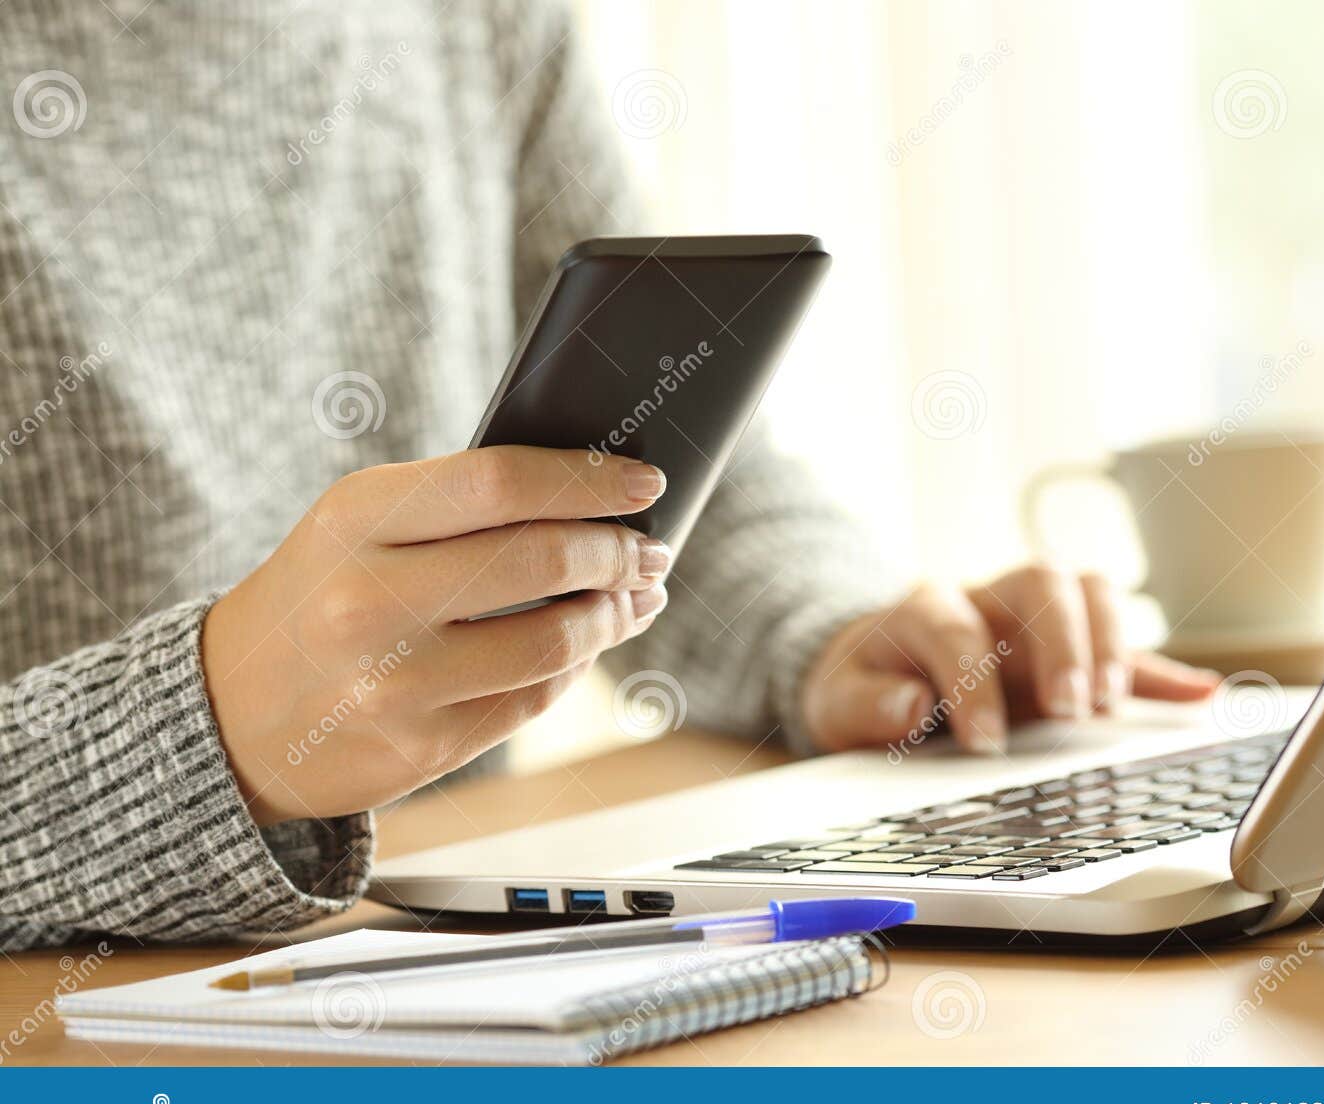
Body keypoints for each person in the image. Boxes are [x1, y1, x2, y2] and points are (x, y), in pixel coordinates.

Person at [0, 3, 1216, 951]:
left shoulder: (471, 17)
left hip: (431, 979)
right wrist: (196, 732)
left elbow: (654, 468)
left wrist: (826, 630)